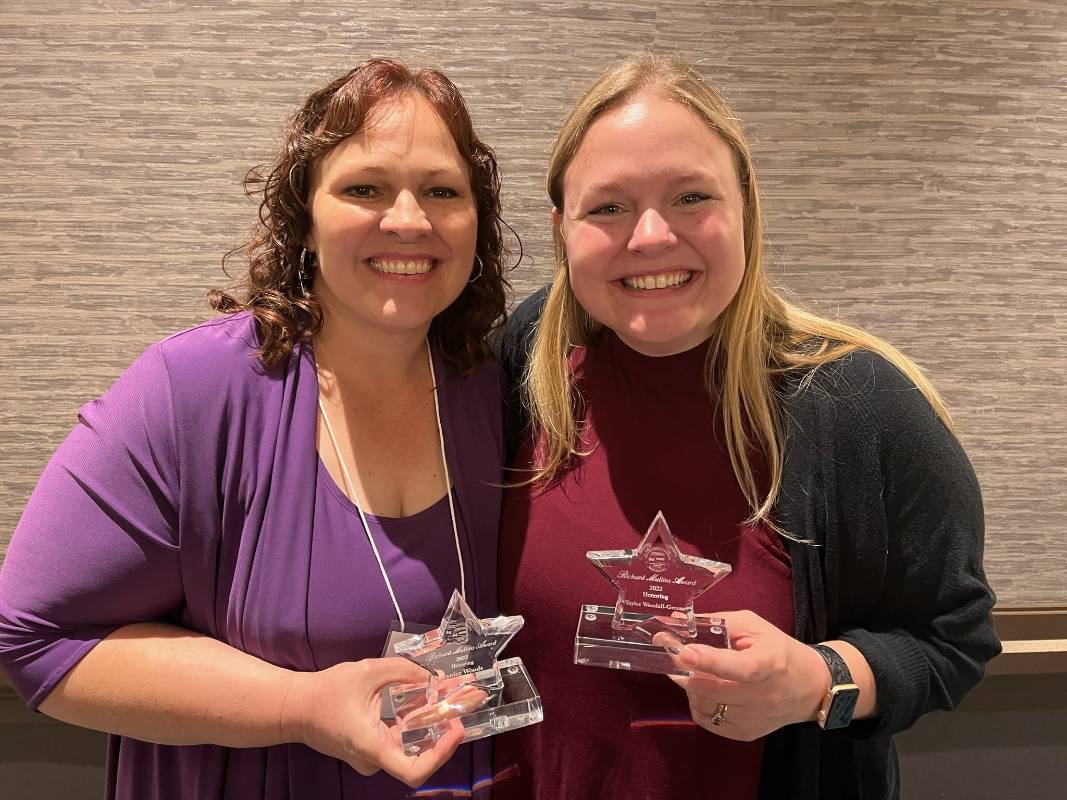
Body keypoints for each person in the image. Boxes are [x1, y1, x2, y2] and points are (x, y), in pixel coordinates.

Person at [0, 58, 510, 799]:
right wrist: (299, 706)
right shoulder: (193, 391)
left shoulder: (496, 394)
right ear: (306, 220)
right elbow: (34, 636)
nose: (409, 220)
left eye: (442, 191)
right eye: (364, 188)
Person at [493, 55, 1000, 800]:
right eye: (607, 207)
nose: (651, 236)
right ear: (561, 228)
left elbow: (951, 637)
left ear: (746, 209)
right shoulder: (528, 356)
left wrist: (818, 681)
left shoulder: (859, 405)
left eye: (690, 196)